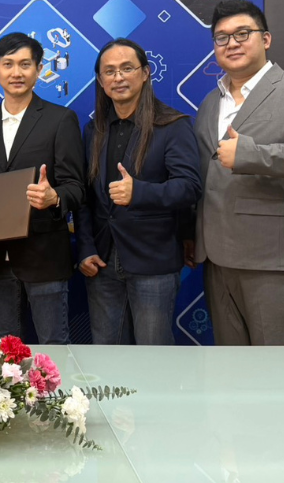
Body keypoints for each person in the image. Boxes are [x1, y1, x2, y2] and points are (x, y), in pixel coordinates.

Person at [191, 0, 284, 346]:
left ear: (266, 39)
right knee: (234, 368)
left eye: (243, 33)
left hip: (275, 261)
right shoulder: (211, 102)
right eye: (222, 37)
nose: (232, 43)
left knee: (280, 368)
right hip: (217, 260)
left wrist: (251, 154)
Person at [75, 38, 202, 345]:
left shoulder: (173, 125)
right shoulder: (94, 130)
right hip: (102, 262)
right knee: (108, 357)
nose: (118, 77)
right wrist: (86, 247)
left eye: (127, 68)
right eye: (109, 71)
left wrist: (139, 192)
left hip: (153, 261)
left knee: (153, 356)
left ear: (145, 73)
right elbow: (85, 197)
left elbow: (189, 187)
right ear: (100, 81)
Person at [0, 32, 86, 345]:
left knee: (53, 348)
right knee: (5, 354)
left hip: (45, 257)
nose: (16, 72)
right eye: (8, 64)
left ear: (39, 69)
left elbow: (77, 187)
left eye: (25, 64)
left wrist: (54, 197)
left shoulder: (61, 120)